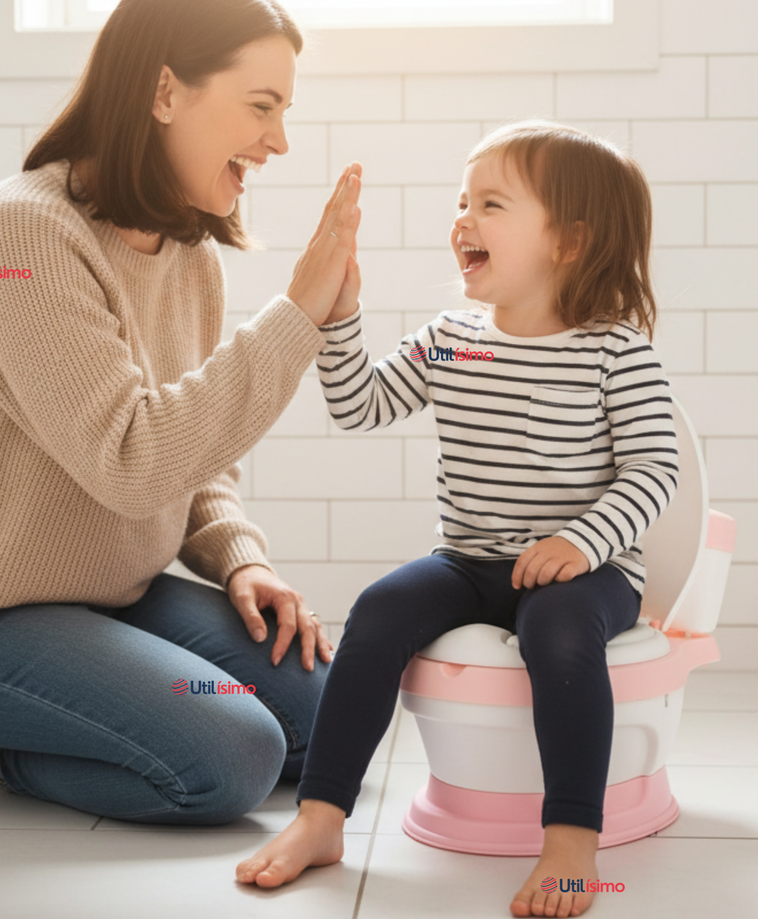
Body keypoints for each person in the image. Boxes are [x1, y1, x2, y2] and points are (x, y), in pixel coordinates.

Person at [0, 0, 363, 826]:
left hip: (105, 595)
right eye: (260, 105)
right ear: (166, 91)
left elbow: (192, 452)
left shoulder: (189, 254)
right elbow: (134, 459)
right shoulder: (17, 238)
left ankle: (108, 700)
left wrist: (242, 558)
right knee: (235, 755)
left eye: (285, 110)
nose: (278, 141)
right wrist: (298, 316)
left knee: (331, 708)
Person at [236, 120, 679, 918]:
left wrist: (580, 543)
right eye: (462, 202)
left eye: (492, 204)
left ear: (568, 241)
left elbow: (657, 470)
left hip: (590, 571)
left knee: (559, 633)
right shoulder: (456, 343)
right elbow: (358, 405)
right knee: (378, 611)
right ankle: (322, 815)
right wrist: (341, 317)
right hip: (470, 559)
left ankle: (572, 838)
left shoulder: (614, 350)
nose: (463, 220)